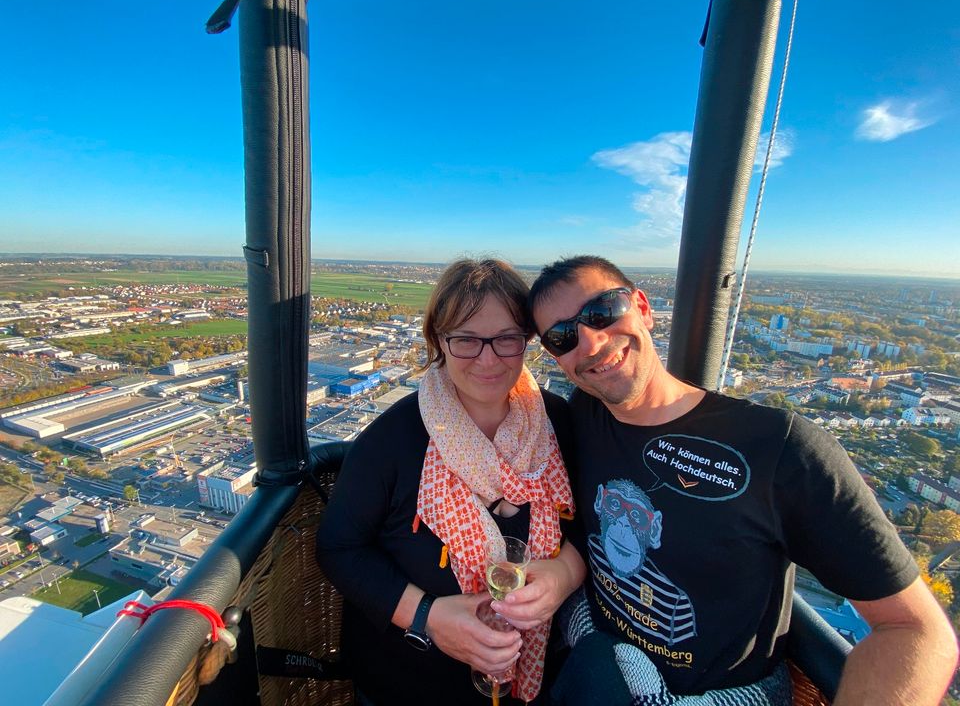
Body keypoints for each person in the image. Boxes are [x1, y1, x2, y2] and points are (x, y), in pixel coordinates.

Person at [526, 255, 958, 705]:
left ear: (643, 307)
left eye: (601, 312)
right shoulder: (581, 414)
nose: (591, 343)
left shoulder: (781, 449)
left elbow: (915, 630)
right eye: (563, 336)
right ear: (555, 357)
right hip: (597, 671)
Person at [316, 258, 586, 706]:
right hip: (407, 685)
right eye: (465, 339)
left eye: (506, 339)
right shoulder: (392, 441)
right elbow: (339, 548)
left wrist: (562, 574)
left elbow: (586, 526)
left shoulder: (559, 424)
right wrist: (429, 617)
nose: (487, 358)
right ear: (439, 341)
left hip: (535, 686)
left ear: (526, 342)